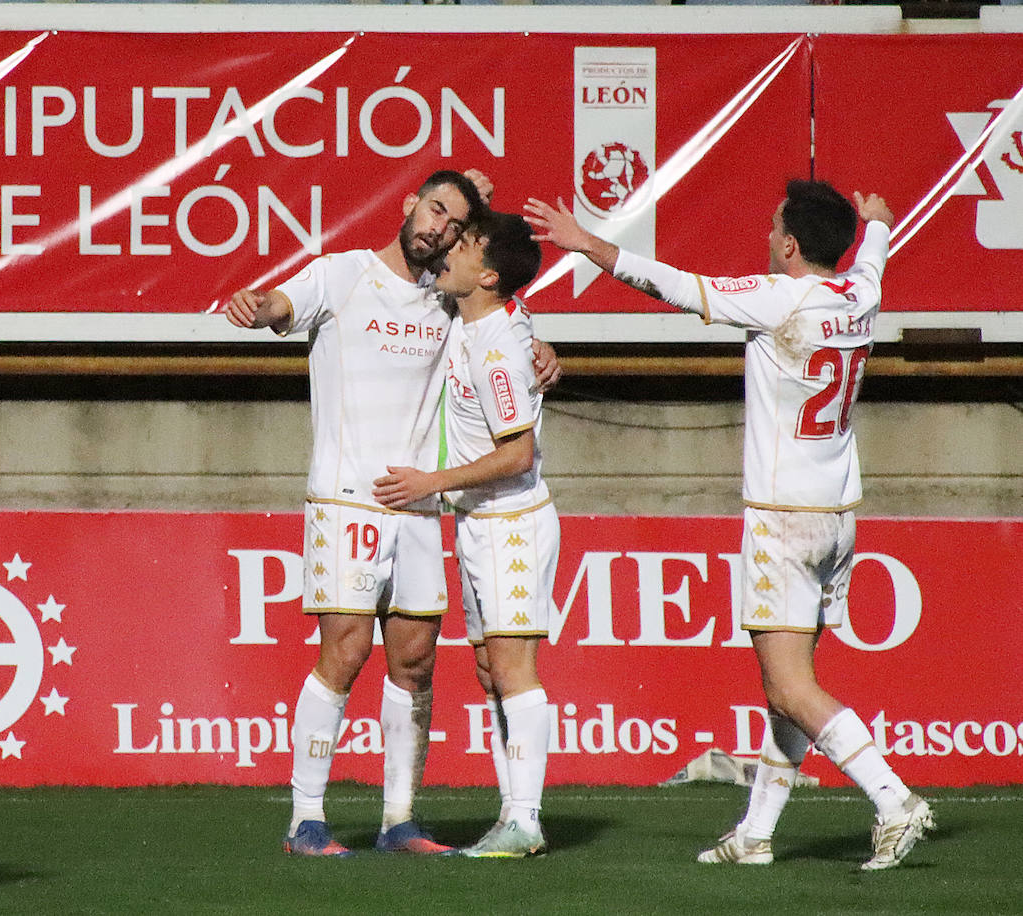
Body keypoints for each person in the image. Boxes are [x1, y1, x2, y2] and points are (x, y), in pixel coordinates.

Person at [524, 180, 934, 870]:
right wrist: (877, 224)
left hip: (782, 521)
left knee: (789, 688)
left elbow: (674, 287)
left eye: (775, 229)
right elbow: (873, 260)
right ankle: (756, 833)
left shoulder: (780, 299)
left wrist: (587, 244)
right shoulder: (859, 294)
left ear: (792, 244)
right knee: (788, 684)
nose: (768, 238)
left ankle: (894, 800)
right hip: (837, 518)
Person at [225, 170, 560, 857]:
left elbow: (500, 325)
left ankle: (399, 821)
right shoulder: (344, 274)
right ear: (409, 203)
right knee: (345, 652)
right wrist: (257, 307)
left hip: (419, 504)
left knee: (414, 663)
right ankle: (306, 820)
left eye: (454, 223)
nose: (438, 228)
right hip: (348, 496)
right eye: (435, 208)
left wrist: (543, 354)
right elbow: (281, 305)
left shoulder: (448, 297)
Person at [373, 211, 555, 858]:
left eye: (467, 243)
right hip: (479, 519)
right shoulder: (476, 320)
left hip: (510, 522)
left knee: (513, 667)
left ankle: (525, 819)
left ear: (489, 273)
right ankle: (513, 816)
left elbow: (517, 453)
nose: (449, 247)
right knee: (489, 668)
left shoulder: (499, 349)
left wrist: (431, 481)